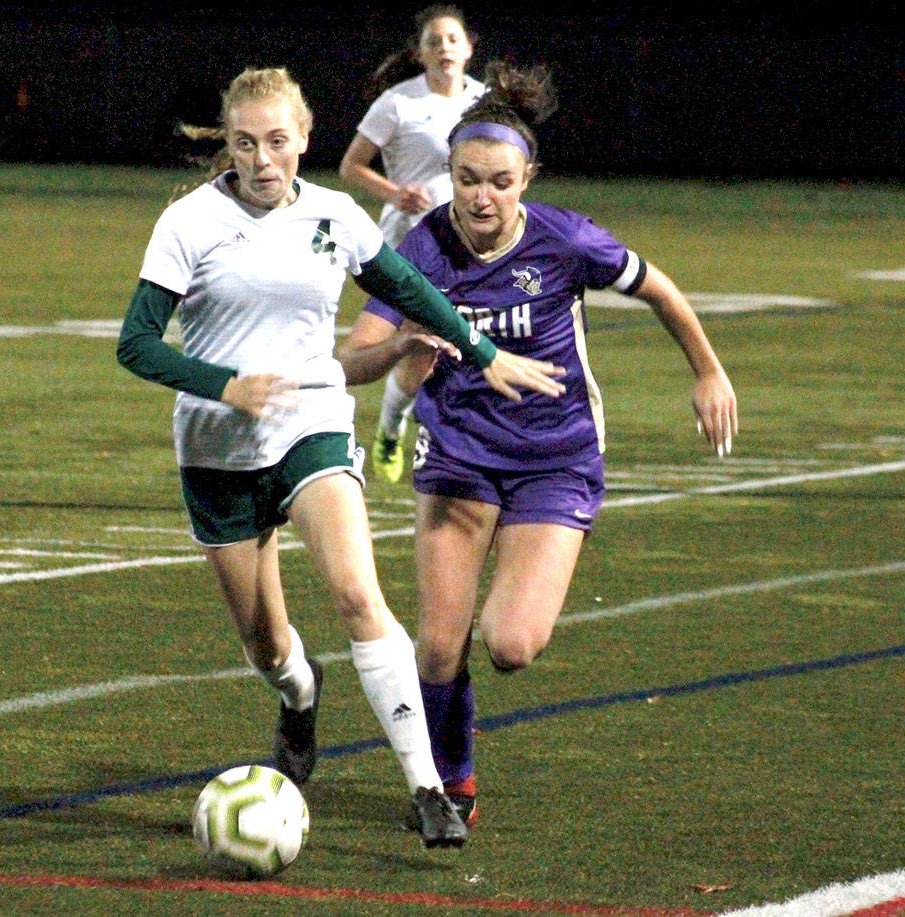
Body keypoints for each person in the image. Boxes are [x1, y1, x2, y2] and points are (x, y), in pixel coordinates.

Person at [115, 66, 566, 848]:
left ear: (305, 136)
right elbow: (136, 345)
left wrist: (478, 347)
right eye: (246, 143)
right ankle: (299, 694)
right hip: (217, 450)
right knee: (267, 647)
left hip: (312, 423)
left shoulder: (334, 214)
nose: (262, 160)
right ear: (228, 141)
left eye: (278, 142)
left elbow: (412, 288)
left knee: (360, 593)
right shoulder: (188, 222)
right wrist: (225, 385)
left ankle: (430, 790)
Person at [338, 62, 739, 828]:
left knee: (512, 643)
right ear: (449, 174)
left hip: (555, 458)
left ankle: (465, 725)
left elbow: (658, 287)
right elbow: (350, 361)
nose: (480, 197)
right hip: (456, 457)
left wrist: (709, 371)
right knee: (435, 647)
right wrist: (398, 350)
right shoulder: (420, 253)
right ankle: (452, 785)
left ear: (527, 179)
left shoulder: (566, 240)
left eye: (499, 181)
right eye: (466, 179)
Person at [338, 5, 485, 484]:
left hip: (471, 245)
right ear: (420, 53)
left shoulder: (486, 104)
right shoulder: (397, 103)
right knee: (425, 344)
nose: (444, 47)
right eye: (433, 41)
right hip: (410, 245)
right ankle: (391, 427)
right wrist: (395, 192)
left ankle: (400, 428)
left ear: (468, 48)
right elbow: (351, 166)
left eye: (451, 39)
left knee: (437, 347)